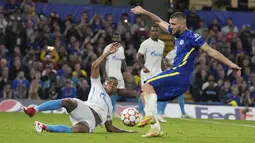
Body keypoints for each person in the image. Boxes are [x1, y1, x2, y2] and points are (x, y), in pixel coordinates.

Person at [131, 6, 241, 137]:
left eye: (173, 24)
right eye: (170, 24)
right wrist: (144, 11)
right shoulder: (175, 32)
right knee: (145, 94)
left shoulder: (192, 37)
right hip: (177, 76)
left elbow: (211, 51)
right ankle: (155, 129)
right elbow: (159, 21)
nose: (170, 27)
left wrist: (231, 64)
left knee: (147, 85)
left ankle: (149, 116)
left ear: (182, 24)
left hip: (181, 73)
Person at [23, 42, 136, 134]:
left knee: (77, 130)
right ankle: (34, 110)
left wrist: (127, 131)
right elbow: (94, 66)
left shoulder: (110, 107)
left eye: (114, 85)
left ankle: (43, 126)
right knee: (68, 102)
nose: (111, 85)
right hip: (85, 109)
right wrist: (107, 53)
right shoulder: (97, 85)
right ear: (105, 83)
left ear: (117, 89)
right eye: (109, 82)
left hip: (91, 122)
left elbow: (110, 128)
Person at [137, 24, 167, 123]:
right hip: (147, 73)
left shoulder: (162, 44)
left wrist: (164, 68)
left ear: (160, 32)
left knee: (158, 94)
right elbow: (139, 57)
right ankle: (141, 114)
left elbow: (161, 58)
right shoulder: (145, 43)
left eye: (156, 30)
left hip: (158, 73)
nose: (154, 32)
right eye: (153, 30)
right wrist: (143, 67)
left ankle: (157, 114)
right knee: (145, 94)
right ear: (150, 32)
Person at [103, 33, 128, 116]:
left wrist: (126, 70)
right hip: (110, 73)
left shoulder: (121, 48)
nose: (116, 38)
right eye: (114, 37)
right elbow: (103, 60)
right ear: (112, 38)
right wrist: (104, 73)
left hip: (119, 74)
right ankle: (111, 111)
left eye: (118, 37)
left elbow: (123, 61)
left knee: (121, 92)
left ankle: (110, 109)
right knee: (112, 92)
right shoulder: (108, 47)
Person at [165, 49, 192, 118]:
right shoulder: (173, 52)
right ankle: (161, 112)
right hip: (172, 74)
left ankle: (183, 113)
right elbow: (165, 60)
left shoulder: (185, 52)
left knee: (181, 94)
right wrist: (173, 66)